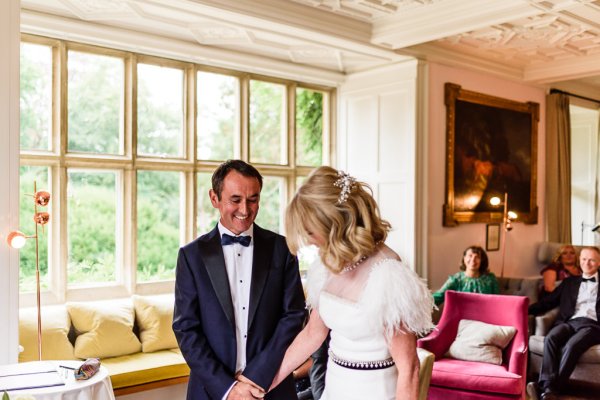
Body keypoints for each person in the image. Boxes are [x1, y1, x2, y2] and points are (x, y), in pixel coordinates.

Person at [269, 166, 435, 399]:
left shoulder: (388, 275)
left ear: (334, 224)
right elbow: (312, 334)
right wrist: (264, 382)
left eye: (311, 232)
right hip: (335, 388)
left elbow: (409, 368)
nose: (308, 240)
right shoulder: (327, 264)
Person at [172, 159, 306, 400]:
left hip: (272, 387)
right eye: (236, 200)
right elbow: (186, 329)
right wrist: (228, 388)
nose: (245, 210)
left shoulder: (282, 249)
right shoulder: (191, 256)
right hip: (212, 391)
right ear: (215, 198)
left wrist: (256, 377)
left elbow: (293, 316)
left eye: (253, 199)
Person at [526, 246, 600, 400]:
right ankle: (549, 389)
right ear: (580, 261)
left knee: (572, 346)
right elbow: (548, 302)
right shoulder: (569, 282)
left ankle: (548, 389)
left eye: (592, 260)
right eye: (584, 259)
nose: (587, 263)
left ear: (599, 262)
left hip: (592, 325)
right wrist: (522, 309)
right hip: (569, 322)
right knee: (551, 338)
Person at [432, 245, 499, 306]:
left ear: (482, 261)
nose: (473, 260)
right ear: (464, 259)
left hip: (486, 317)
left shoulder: (490, 279)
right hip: (463, 318)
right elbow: (439, 297)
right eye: (470, 256)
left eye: (477, 257)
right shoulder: (456, 279)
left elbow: (498, 302)